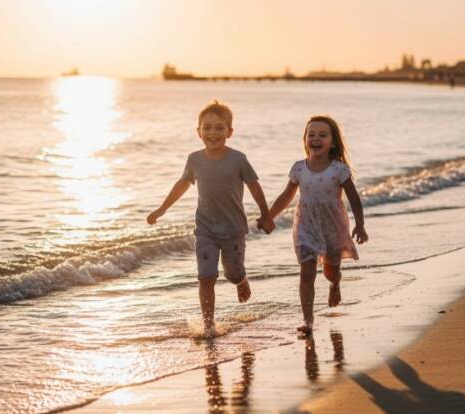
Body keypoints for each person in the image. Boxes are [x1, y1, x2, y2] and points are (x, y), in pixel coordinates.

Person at [147, 101, 272, 337]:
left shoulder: (238, 159)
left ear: (229, 132)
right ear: (198, 131)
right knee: (206, 276)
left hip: (233, 229)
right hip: (205, 229)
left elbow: (254, 186)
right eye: (207, 127)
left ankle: (241, 280)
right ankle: (208, 324)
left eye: (219, 128)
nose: (212, 133)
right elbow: (182, 184)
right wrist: (162, 209)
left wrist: (266, 214)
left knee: (232, 272)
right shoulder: (194, 159)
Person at [259, 116, 367, 334]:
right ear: (305, 140)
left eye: (322, 135)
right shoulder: (299, 169)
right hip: (306, 225)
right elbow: (286, 196)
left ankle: (335, 283)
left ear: (333, 142)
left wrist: (360, 225)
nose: (316, 138)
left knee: (330, 271)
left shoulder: (339, 170)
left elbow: (354, 198)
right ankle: (308, 320)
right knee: (307, 273)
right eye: (311, 134)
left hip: (332, 226)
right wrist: (269, 216)